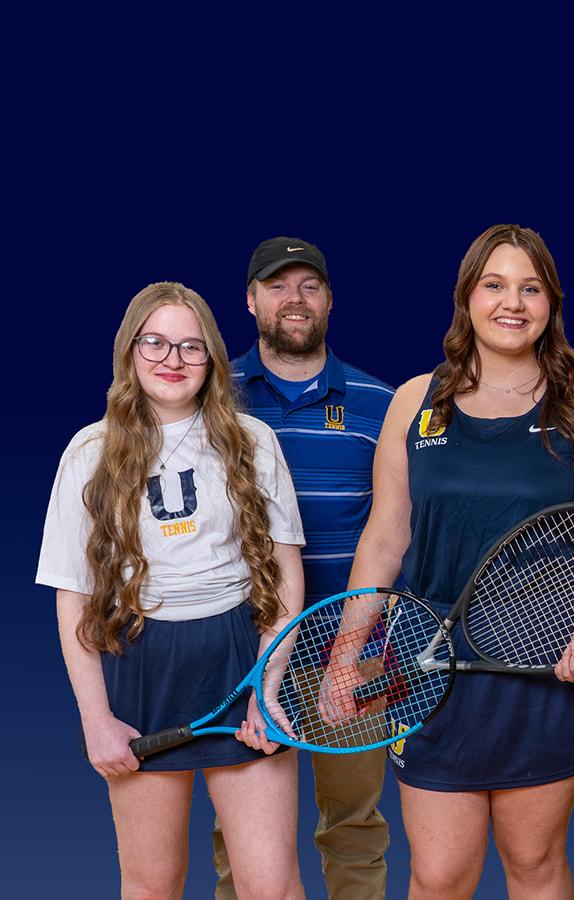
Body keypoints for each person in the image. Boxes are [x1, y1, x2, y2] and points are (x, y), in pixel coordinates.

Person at [345, 224, 574, 898]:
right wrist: (345, 654)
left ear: (551, 303)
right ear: (467, 298)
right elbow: (385, 538)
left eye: (530, 288)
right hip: (428, 664)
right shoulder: (415, 401)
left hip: (542, 668)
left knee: (534, 863)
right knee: (440, 874)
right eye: (495, 285)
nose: (512, 302)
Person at [39, 282, 306, 898]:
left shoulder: (251, 440)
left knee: (270, 884)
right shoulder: (89, 451)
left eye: (191, 346)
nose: (173, 359)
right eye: (155, 342)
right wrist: (96, 720)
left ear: (212, 358)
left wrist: (266, 685)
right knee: (152, 882)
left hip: (237, 656)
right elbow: (72, 594)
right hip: (140, 667)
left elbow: (286, 571)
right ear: (129, 350)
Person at [217, 236, 394, 898]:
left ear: (329, 300)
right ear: (250, 300)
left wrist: (361, 647)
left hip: (352, 654)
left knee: (354, 829)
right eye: (277, 285)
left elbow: (395, 531)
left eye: (309, 286)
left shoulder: (380, 403)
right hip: (243, 654)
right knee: (239, 842)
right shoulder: (214, 395)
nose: (294, 299)